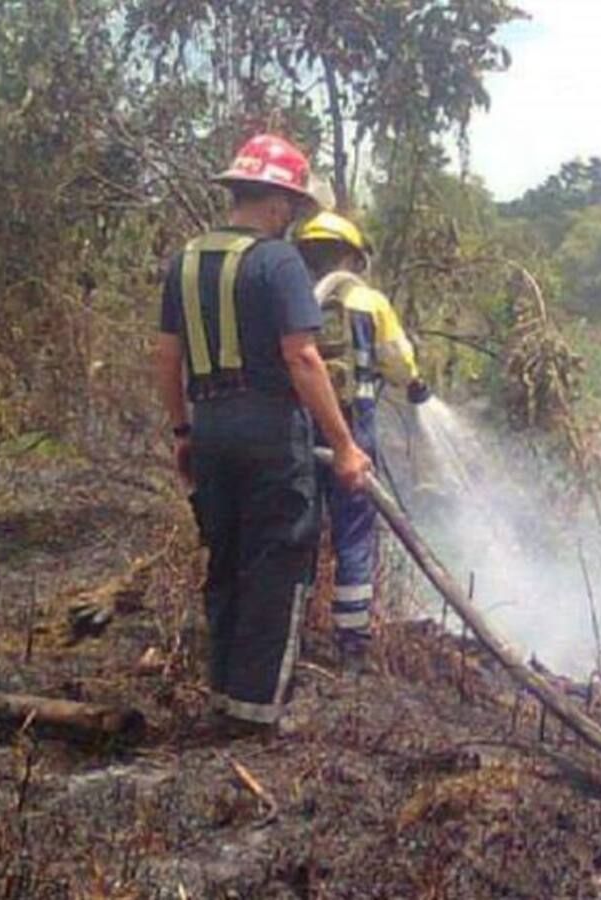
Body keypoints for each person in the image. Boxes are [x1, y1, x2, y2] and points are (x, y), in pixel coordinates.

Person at [153, 134, 373, 733]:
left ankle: (224, 693)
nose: (292, 217)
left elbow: (166, 356)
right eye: (292, 208)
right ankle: (255, 713)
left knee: (224, 559)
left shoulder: (187, 260)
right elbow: (302, 359)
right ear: (278, 203)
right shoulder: (278, 262)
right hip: (271, 431)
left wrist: (182, 431)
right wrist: (346, 446)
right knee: (277, 563)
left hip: (211, 428)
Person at [294, 211, 431, 672]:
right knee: (354, 531)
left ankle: (291, 633)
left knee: (300, 526)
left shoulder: (293, 298)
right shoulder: (368, 301)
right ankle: (351, 644)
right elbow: (396, 359)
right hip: (354, 429)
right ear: (352, 256)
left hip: (297, 428)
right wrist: (414, 382)